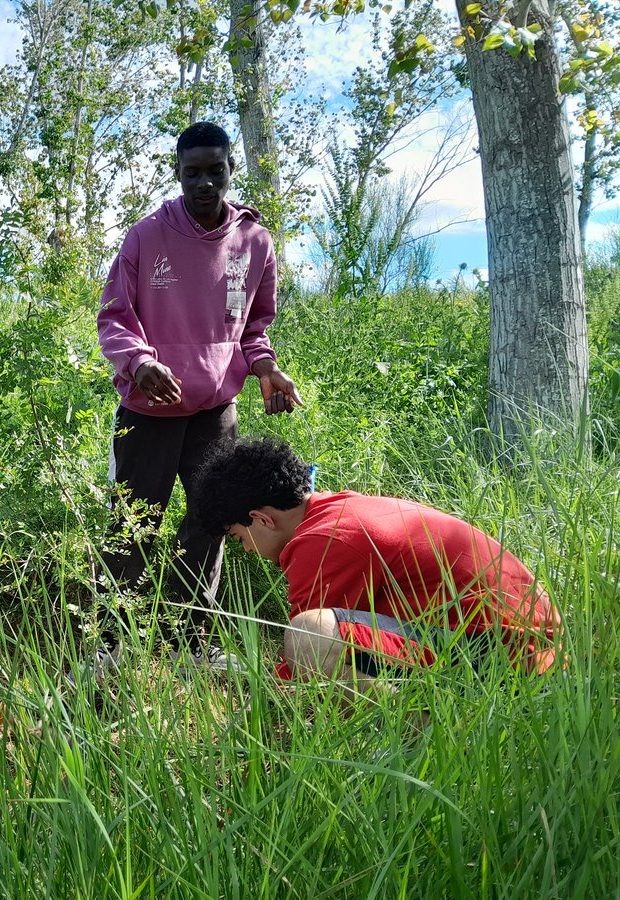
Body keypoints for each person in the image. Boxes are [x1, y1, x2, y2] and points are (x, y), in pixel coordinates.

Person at [95, 121, 302, 672]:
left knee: (210, 520)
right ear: (178, 174)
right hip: (149, 411)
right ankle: (112, 646)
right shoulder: (146, 236)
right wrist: (140, 364)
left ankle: (190, 641)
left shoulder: (254, 242)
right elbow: (115, 316)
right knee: (133, 521)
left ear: (230, 170)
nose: (204, 184)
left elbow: (255, 327)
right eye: (193, 173)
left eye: (216, 171)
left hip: (215, 411)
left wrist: (265, 369)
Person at [194, 437, 564, 692]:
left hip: (508, 657)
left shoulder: (322, 540)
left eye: (238, 537)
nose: (245, 549)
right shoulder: (339, 508)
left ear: (262, 518)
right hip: (520, 644)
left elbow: (304, 665)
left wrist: (253, 689)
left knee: (309, 635)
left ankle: (429, 737)